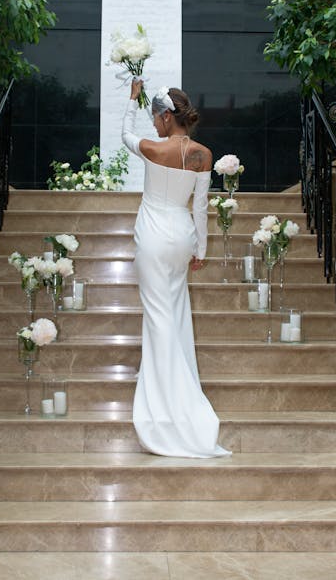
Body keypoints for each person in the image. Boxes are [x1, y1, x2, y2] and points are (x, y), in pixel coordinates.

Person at [121, 80, 230, 458]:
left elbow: (124, 135)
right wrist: (201, 248)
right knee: (174, 311)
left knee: (158, 316)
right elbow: (200, 207)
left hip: (153, 236)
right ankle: (175, 389)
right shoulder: (203, 154)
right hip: (182, 237)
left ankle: (169, 399)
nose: (153, 125)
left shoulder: (153, 148)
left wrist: (131, 101)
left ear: (167, 116)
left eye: (155, 117)